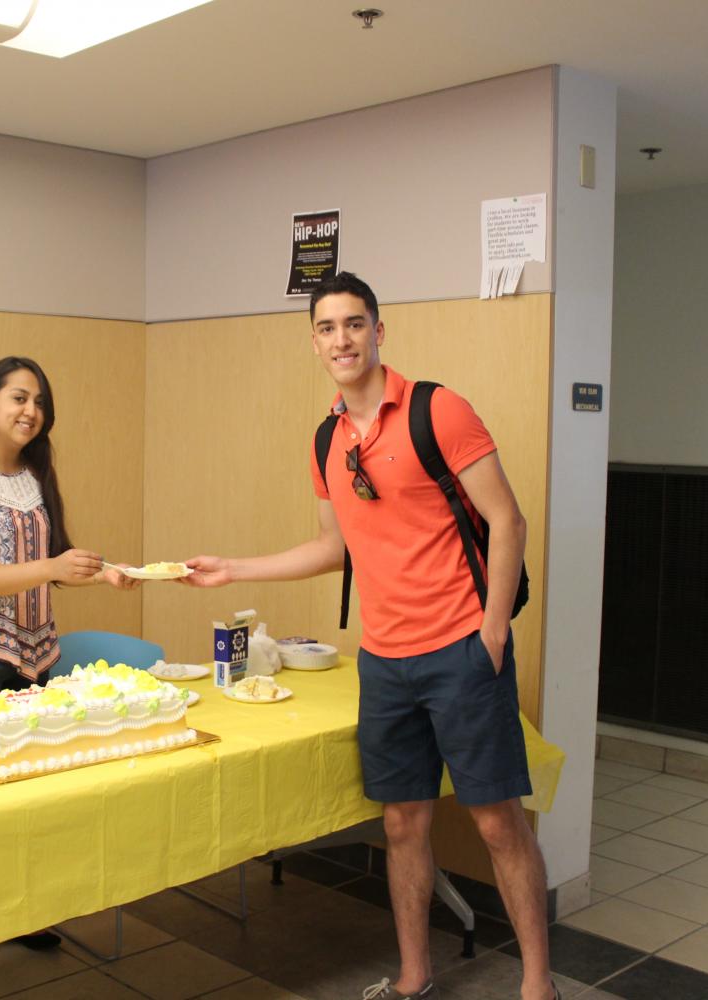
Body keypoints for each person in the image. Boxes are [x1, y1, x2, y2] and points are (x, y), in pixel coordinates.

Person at [183, 272, 556, 1000]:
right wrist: (234, 568)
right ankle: (415, 976)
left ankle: (539, 983)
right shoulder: (327, 437)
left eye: (355, 324)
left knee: (498, 824)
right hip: (383, 660)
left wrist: (491, 634)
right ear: (315, 342)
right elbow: (333, 546)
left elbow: (507, 522)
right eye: (327, 328)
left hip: (459, 651)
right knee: (402, 823)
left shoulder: (437, 411)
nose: (341, 339)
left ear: (379, 332)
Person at [0, 355, 136, 987]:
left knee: (27, 795)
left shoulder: (36, 473)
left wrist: (109, 572)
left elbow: (55, 557)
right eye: (17, 397)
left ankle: (18, 912)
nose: (29, 411)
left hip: (31, 651)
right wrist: (54, 569)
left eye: (38, 402)